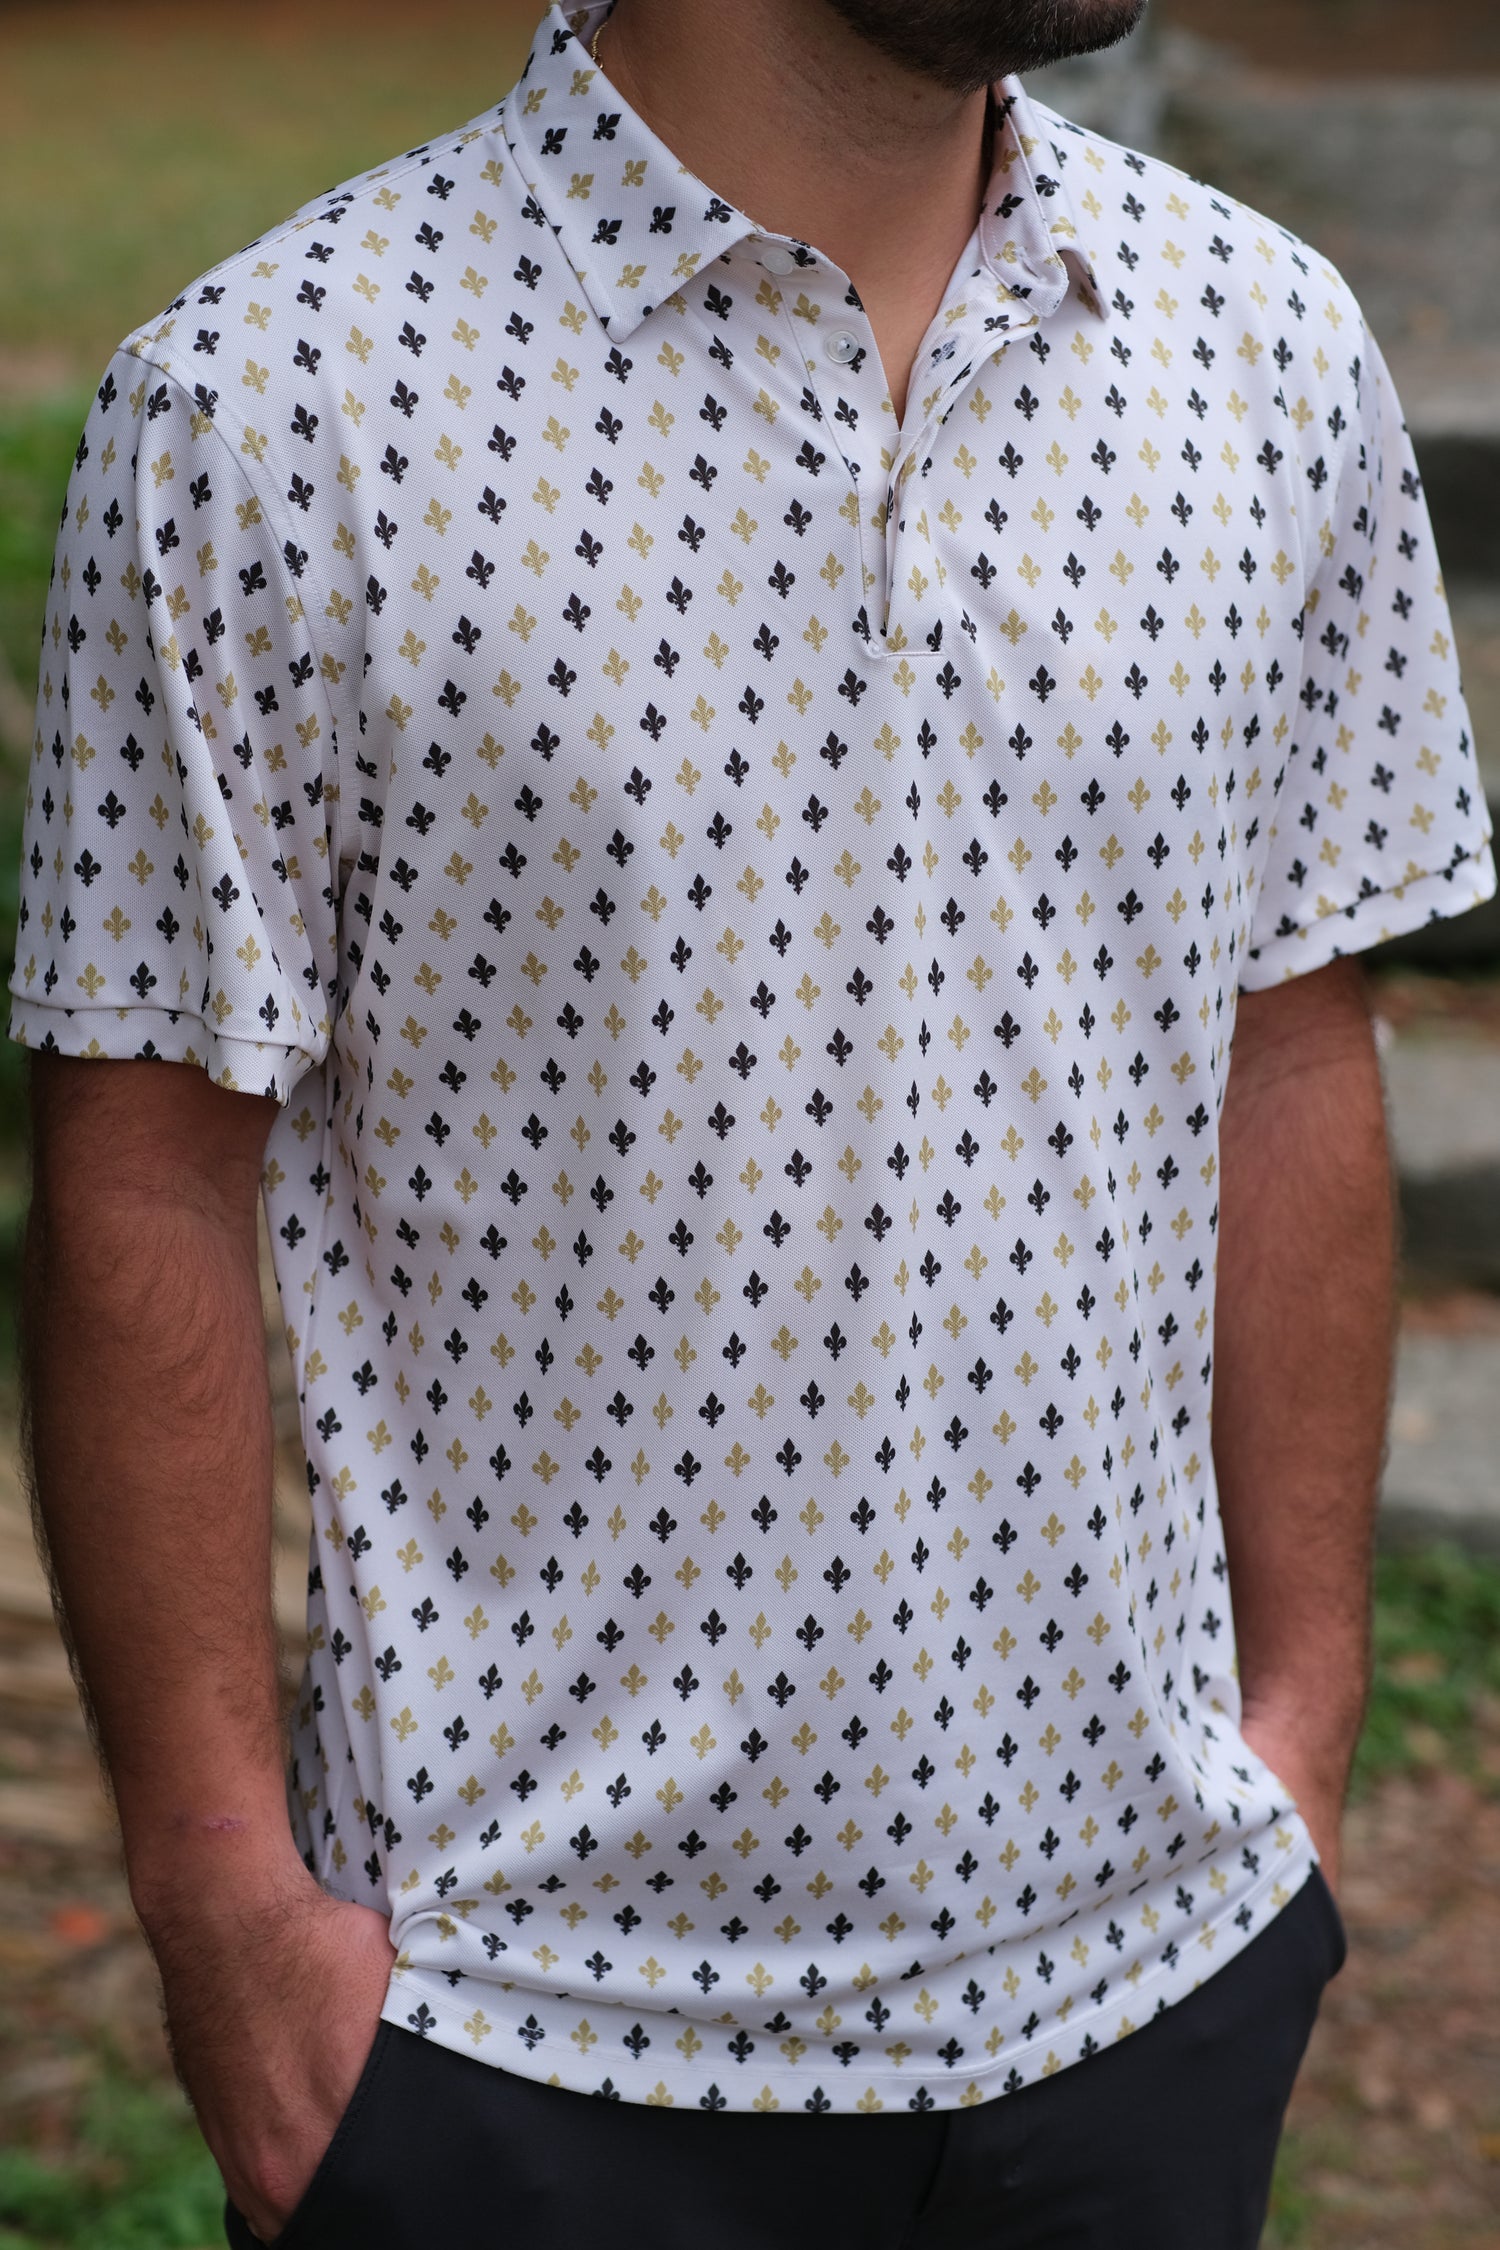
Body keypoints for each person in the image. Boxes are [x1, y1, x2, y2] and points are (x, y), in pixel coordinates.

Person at [10, 0, 1494, 2242]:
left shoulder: (1270, 353)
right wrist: (228, 1908)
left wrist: (1294, 1752)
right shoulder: (271, 409)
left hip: (1151, 1991)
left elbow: (1290, 1050)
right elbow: (142, 1174)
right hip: (518, 2037)